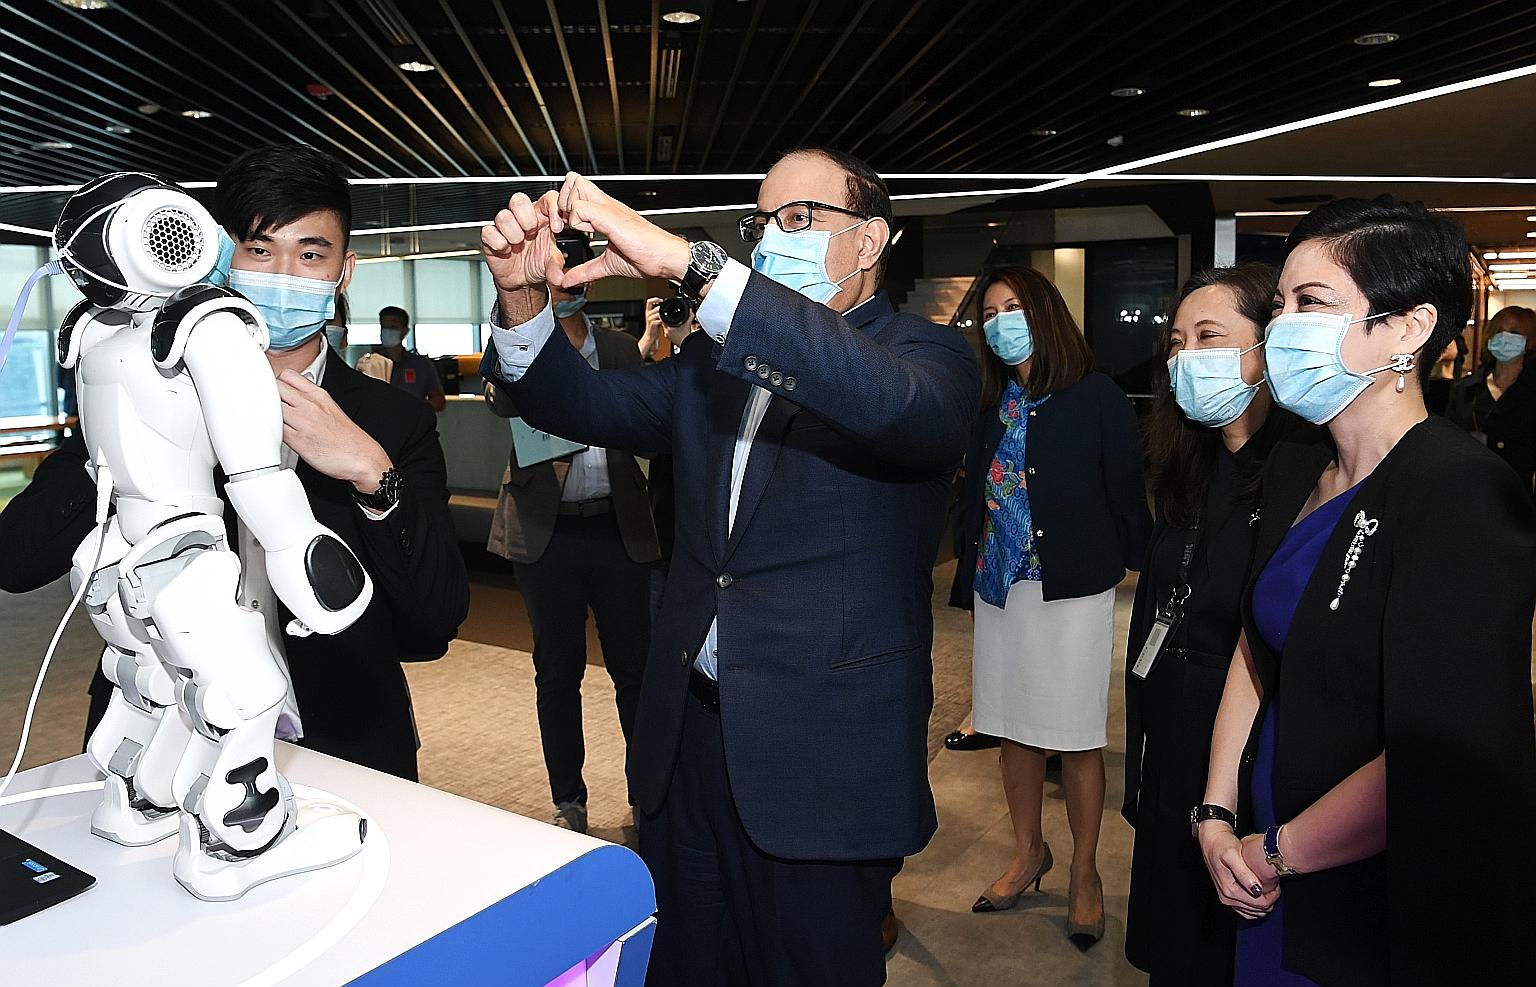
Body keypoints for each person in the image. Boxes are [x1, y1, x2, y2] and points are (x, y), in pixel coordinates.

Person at [478, 147, 978, 985]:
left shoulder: (927, 358)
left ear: (870, 242)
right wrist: (522, 297)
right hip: (692, 738)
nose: (773, 237)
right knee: (681, 963)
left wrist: (689, 263)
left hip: (821, 758)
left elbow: (893, 408)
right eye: (763, 222)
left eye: (800, 218)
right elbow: (576, 403)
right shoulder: (711, 366)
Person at [0, 144, 470, 781]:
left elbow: (435, 622)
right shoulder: (151, 387)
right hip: (162, 732)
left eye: (310, 254)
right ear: (221, 258)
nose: (282, 274)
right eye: (258, 249)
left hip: (345, 740)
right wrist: (124, 439)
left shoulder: (392, 421)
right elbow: (17, 559)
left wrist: (372, 475)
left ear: (345, 271)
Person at [1198, 196, 1536, 985]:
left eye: (1312, 304)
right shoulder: (1292, 470)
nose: (1283, 327)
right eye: (1280, 304)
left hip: (1370, 890)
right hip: (1260, 856)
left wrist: (1279, 850)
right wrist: (1215, 813)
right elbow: (1257, 642)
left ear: (1409, 329)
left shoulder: (1460, 493)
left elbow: (1442, 753)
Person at [947, 265, 1150, 950]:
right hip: (998, 587)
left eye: (1015, 307)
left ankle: (1086, 871)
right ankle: (1030, 851)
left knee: (1074, 734)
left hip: (1070, 588)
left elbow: (1125, 487)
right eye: (992, 310)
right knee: (1011, 730)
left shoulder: (1096, 396)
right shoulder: (989, 400)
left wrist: (1136, 558)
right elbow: (973, 492)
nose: (1002, 320)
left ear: (1045, 312)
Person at [1123, 263, 1294, 984]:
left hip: (1248, 767)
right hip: (1173, 739)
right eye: (1178, 342)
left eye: (1211, 337)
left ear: (1268, 349)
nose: (1187, 357)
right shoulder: (1192, 464)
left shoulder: (1299, 475)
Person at [483, 229, 661, 835]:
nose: (561, 285)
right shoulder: (518, 350)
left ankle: (646, 796)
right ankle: (569, 801)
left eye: (570, 272)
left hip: (618, 528)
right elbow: (500, 398)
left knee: (634, 671)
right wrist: (516, 313)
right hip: (547, 534)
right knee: (556, 671)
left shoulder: (619, 350)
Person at [1444, 304, 1536, 495]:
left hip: (1520, 498)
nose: (1504, 337)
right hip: (1469, 490)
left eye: (1514, 332)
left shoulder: (1531, 390)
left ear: (1530, 341)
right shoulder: (1466, 388)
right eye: (1499, 331)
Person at [377, 305, 447, 412]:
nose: (387, 332)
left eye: (392, 327)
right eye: (384, 327)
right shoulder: (372, 364)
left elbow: (439, 400)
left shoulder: (421, 365)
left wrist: (415, 409)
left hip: (413, 425)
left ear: (405, 331)